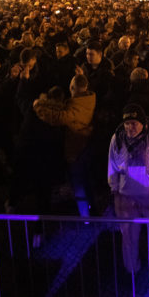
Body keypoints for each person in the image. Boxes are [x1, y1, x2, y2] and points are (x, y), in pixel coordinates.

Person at [108, 104, 149, 274]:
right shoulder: (117, 139)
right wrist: (114, 189)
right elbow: (112, 166)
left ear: (143, 123)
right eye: (127, 123)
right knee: (128, 236)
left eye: (134, 123)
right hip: (126, 197)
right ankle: (131, 270)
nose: (130, 127)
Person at [33, 74, 96, 216]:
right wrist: (46, 102)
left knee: (78, 183)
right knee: (86, 180)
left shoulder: (75, 108)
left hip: (76, 149)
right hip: (85, 146)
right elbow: (64, 106)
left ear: (72, 88)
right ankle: (92, 207)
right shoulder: (87, 100)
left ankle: (85, 216)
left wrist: (38, 107)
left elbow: (58, 117)